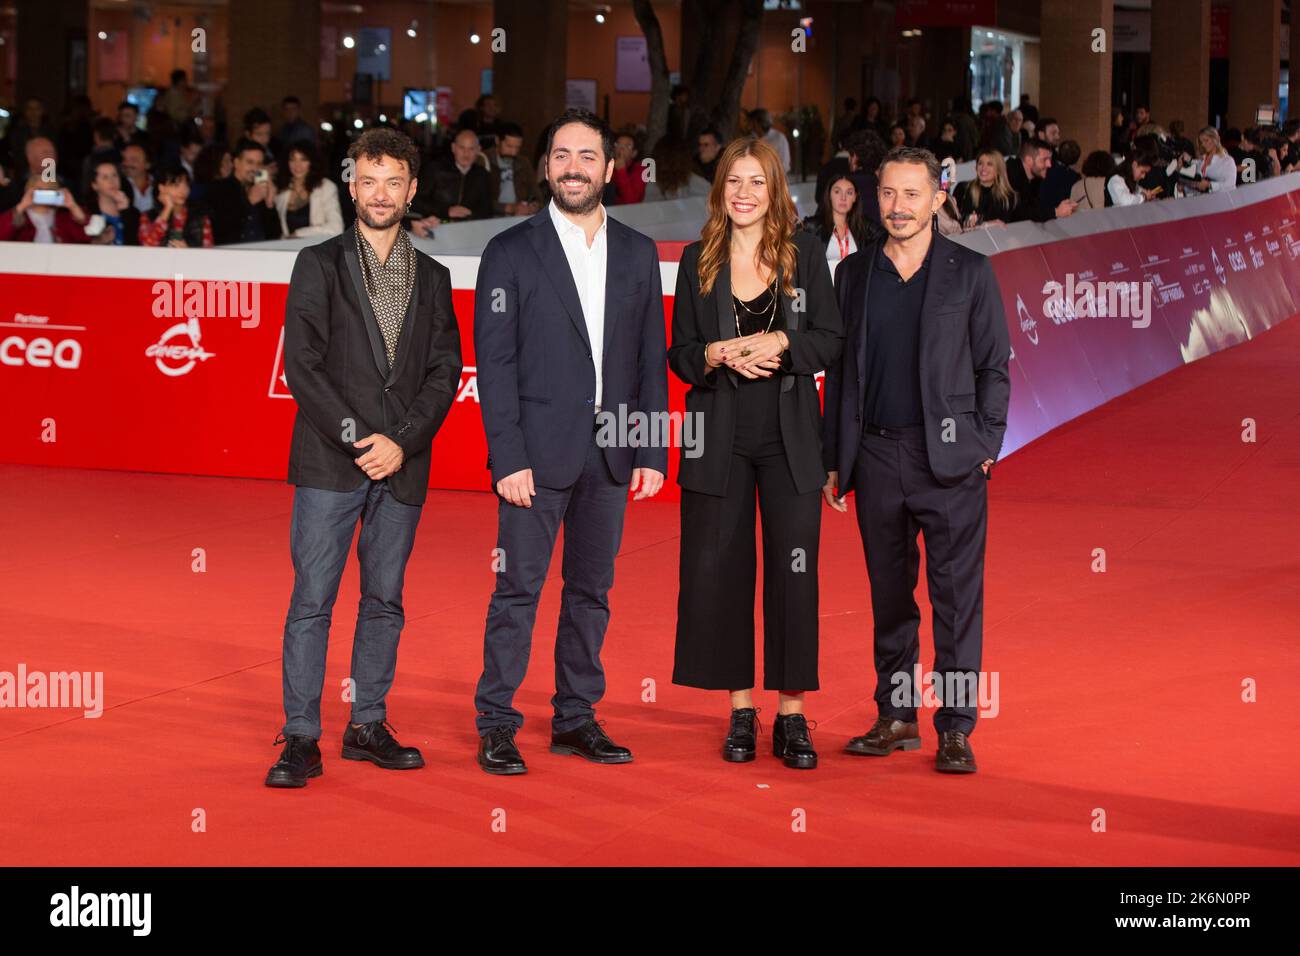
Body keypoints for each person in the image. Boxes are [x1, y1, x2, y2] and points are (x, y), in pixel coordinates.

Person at [472, 108, 669, 775]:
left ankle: (575, 717)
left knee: (592, 590)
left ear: (610, 169)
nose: (574, 168)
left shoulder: (639, 254)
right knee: (516, 591)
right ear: (546, 167)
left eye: (587, 156)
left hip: (612, 451)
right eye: (561, 156)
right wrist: (507, 456)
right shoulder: (509, 251)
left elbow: (649, 359)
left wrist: (649, 450)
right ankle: (497, 721)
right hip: (535, 452)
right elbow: (493, 364)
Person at [265, 127, 463, 788]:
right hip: (330, 460)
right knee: (312, 600)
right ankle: (299, 737)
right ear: (352, 186)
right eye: (369, 180)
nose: (380, 194)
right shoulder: (318, 264)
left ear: (411, 191)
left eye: (394, 182)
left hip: (402, 464)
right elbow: (303, 366)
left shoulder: (434, 277)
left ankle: (367, 723)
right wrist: (361, 439)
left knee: (384, 599)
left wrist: (400, 442)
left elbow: (445, 371)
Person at [821, 146, 1010, 775]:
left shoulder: (970, 272)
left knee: (956, 600)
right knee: (890, 598)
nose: (898, 208)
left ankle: (955, 727)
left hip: (951, 461)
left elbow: (993, 367)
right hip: (877, 456)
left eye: (911, 195)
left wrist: (985, 446)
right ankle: (897, 716)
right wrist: (835, 459)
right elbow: (842, 374)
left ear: (936, 197)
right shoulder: (854, 276)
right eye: (888, 195)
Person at [668, 137, 844, 768]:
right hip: (718, 438)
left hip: (791, 439)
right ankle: (741, 709)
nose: (743, 194)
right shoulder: (697, 261)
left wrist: (783, 343)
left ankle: (792, 715)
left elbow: (830, 340)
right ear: (721, 190)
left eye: (756, 183)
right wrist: (713, 354)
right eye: (733, 182)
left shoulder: (804, 256)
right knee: (721, 573)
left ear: (776, 192)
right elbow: (681, 353)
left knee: (795, 575)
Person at [409, 128, 493, 235]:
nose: (466, 153)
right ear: (453, 148)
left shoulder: (482, 175)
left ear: (478, 150)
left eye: (471, 149)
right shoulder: (435, 169)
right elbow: (414, 201)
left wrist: (470, 214)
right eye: (462, 147)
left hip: (470, 232)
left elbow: (487, 210)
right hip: (434, 228)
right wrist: (446, 211)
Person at [207, 138, 283, 245]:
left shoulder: (261, 189)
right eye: (250, 162)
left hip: (264, 254)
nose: (255, 168)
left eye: (259, 164)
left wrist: (269, 204)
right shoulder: (219, 189)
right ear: (236, 162)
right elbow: (223, 232)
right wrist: (249, 201)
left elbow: (275, 235)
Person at [803, 172, 878, 270]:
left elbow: (886, 239)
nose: (843, 198)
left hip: (853, 284)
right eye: (837, 192)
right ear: (829, 195)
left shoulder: (863, 226)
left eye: (849, 193)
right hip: (824, 284)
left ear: (855, 197)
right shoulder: (812, 226)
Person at [274, 141, 343, 238]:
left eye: (303, 159)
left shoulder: (325, 187)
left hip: (318, 250)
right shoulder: (281, 190)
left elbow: (336, 228)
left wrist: (299, 234)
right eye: (292, 160)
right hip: (288, 251)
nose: (297, 165)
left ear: (312, 162)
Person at [138, 163, 213, 247]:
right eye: (176, 185)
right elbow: (147, 244)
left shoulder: (200, 216)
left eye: (186, 185)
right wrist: (167, 208)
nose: (183, 190)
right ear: (161, 188)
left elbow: (208, 251)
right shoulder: (148, 216)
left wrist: (190, 252)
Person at [483, 121, 542, 216]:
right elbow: (479, 201)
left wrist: (534, 205)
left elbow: (536, 193)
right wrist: (509, 208)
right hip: (491, 217)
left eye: (517, 148)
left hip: (519, 216)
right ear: (497, 141)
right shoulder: (484, 160)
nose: (513, 153)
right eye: (509, 146)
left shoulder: (523, 162)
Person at [951, 149, 1018, 228]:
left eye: (989, 164)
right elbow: (952, 219)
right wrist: (982, 223)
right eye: (980, 163)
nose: (983, 168)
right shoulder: (963, 188)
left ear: (999, 169)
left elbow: (1006, 226)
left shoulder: (1008, 196)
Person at [84, 158, 139, 245]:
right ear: (94, 185)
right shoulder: (87, 212)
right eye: (105, 177)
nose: (112, 181)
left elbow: (135, 244)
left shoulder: (133, 212)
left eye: (114, 175)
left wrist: (125, 211)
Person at [1180, 127, 1237, 194]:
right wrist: (1185, 187)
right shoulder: (1201, 161)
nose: (1203, 144)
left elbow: (1230, 185)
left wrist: (1209, 185)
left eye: (1206, 140)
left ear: (1216, 139)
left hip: (1221, 201)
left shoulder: (1227, 161)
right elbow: (1196, 188)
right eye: (1201, 142)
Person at [610, 131, 647, 204]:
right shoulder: (607, 166)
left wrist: (621, 171)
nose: (621, 149)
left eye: (627, 146)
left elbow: (631, 201)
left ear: (634, 153)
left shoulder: (640, 170)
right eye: (617, 144)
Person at [750, 109, 792, 173]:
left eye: (752, 122)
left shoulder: (779, 138)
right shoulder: (751, 139)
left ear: (758, 122)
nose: (750, 126)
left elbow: (784, 164)